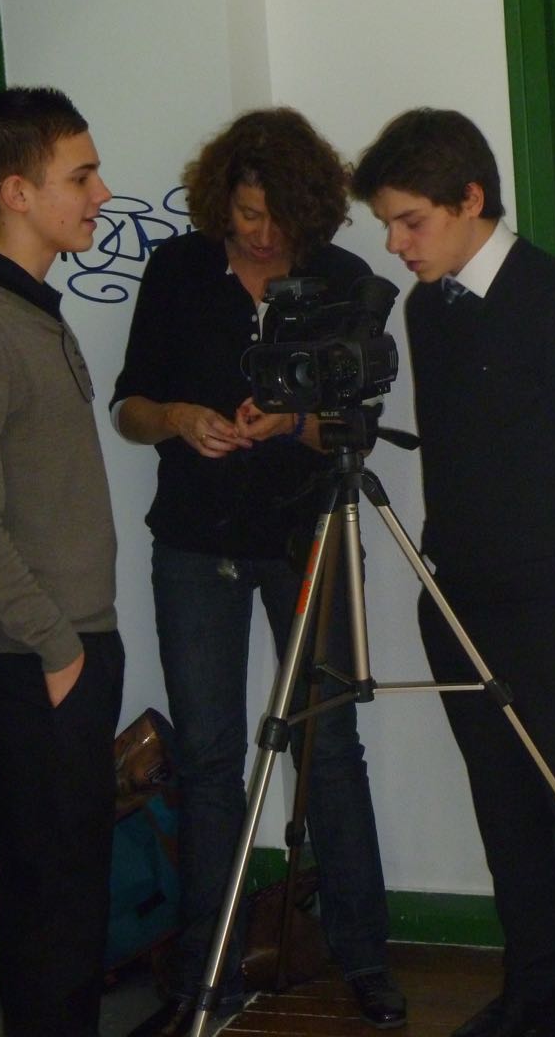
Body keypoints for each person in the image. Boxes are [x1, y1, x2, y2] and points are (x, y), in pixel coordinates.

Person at [351, 109, 555, 1037]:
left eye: (410, 221)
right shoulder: (426, 309)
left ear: (470, 198)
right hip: (463, 603)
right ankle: (533, 997)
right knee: (506, 818)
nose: (396, 244)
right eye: (388, 225)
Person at [112, 108, 405, 1036]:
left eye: (279, 216)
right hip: (194, 543)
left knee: (331, 749)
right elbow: (128, 407)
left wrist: (294, 424)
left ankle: (365, 958)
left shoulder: (342, 279)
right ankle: (208, 971)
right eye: (246, 214)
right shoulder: (178, 269)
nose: (263, 233)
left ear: (309, 209)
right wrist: (180, 420)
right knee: (207, 760)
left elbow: (356, 425)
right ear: (221, 202)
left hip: (309, 535)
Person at [0, 87, 124, 1037]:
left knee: (68, 888)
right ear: (16, 192)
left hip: (67, 645)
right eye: (81, 176)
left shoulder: (31, 310)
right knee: (52, 898)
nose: (102, 193)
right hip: (36, 655)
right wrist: (58, 648)